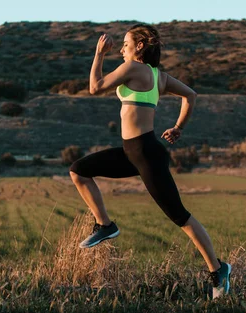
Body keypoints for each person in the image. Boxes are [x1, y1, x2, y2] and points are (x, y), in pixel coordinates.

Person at [69, 24, 231, 298]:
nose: (121, 49)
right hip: (133, 152)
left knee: (180, 216)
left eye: (125, 43)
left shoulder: (133, 68)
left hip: (145, 154)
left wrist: (99, 54)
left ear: (140, 46)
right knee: (79, 171)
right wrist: (179, 126)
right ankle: (105, 225)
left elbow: (94, 88)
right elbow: (191, 95)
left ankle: (218, 270)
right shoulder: (159, 76)